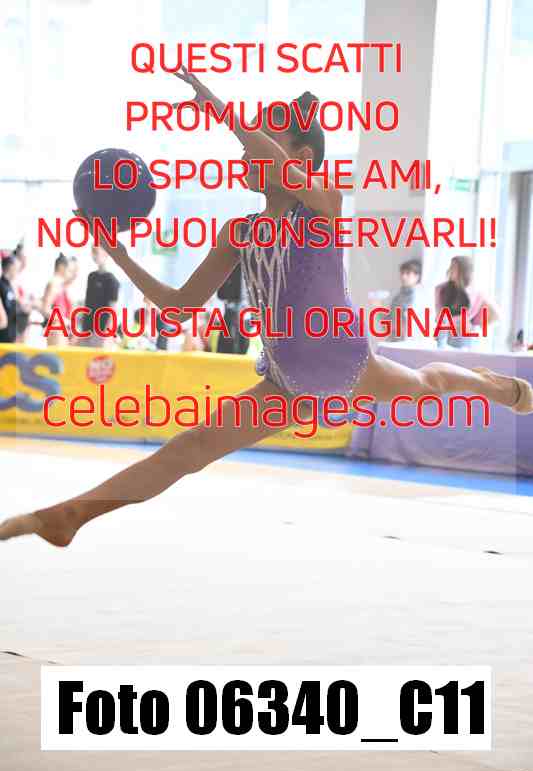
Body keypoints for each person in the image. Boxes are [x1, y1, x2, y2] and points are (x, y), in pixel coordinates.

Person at [1, 67, 532, 547]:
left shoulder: (323, 206)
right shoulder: (240, 232)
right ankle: (71, 516)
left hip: (346, 364)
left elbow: (269, 157)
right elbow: (179, 307)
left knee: (427, 384)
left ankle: (498, 387)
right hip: (285, 384)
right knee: (189, 449)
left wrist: (218, 106)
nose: (246, 151)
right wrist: (119, 255)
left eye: (264, 140)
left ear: (300, 161)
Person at [435, 256, 500, 349]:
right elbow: (439, 317)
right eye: (450, 266)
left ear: (463, 271)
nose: (450, 270)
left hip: (467, 340)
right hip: (446, 338)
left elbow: (496, 315)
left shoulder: (477, 294)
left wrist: (475, 323)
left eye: (454, 267)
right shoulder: (440, 289)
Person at [79, 245, 120, 347]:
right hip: (87, 327)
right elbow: (87, 303)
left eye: (97, 252)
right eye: (93, 252)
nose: (94, 256)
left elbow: (113, 309)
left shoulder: (111, 280)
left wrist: (107, 332)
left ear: (106, 253)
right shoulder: (91, 276)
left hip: (101, 329)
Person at [386, 258, 425, 342]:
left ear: (417, 276)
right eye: (402, 273)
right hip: (396, 340)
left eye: (407, 273)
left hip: (410, 341)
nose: (403, 276)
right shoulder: (398, 296)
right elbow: (388, 321)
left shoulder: (419, 296)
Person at [42, 253, 76, 347]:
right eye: (69, 270)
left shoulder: (61, 285)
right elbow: (45, 309)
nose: (70, 274)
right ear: (61, 268)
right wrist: (64, 320)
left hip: (63, 328)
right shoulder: (54, 283)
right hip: (56, 328)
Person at [0, 254, 18, 344]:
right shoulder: (1, 285)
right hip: (3, 335)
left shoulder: (9, 285)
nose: (17, 271)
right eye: (16, 268)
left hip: (10, 334)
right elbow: (3, 320)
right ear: (11, 267)